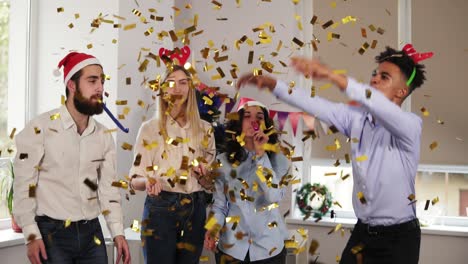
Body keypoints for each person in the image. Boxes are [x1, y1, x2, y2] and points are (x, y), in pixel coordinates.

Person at [236, 46, 432, 264]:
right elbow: (316, 104)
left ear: (401, 92)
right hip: (363, 233)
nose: (375, 79)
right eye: (374, 74)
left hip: (399, 239)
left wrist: (332, 76)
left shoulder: (410, 126)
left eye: (384, 77)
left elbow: (373, 102)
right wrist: (275, 85)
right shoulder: (356, 119)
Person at [13, 52, 130, 264]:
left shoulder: (103, 136)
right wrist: (31, 234)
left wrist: (117, 232)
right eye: (92, 80)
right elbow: (24, 184)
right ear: (72, 86)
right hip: (52, 235)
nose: (100, 88)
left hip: (92, 233)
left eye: (102, 81)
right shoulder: (41, 128)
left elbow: (108, 190)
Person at [128, 64, 216, 264]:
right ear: (163, 90)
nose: (177, 88)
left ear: (190, 89)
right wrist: (148, 181)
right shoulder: (149, 129)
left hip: (196, 209)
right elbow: (134, 180)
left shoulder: (205, 129)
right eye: (171, 83)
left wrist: (204, 176)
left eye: (183, 82)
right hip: (161, 209)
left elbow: (211, 184)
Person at [204, 98, 291, 264]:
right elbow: (220, 205)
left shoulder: (280, 160)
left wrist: (261, 156)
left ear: (266, 125)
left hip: (269, 250)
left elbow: (273, 196)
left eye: (259, 117)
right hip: (231, 250)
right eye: (247, 116)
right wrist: (213, 228)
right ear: (239, 124)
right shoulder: (222, 161)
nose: (254, 121)